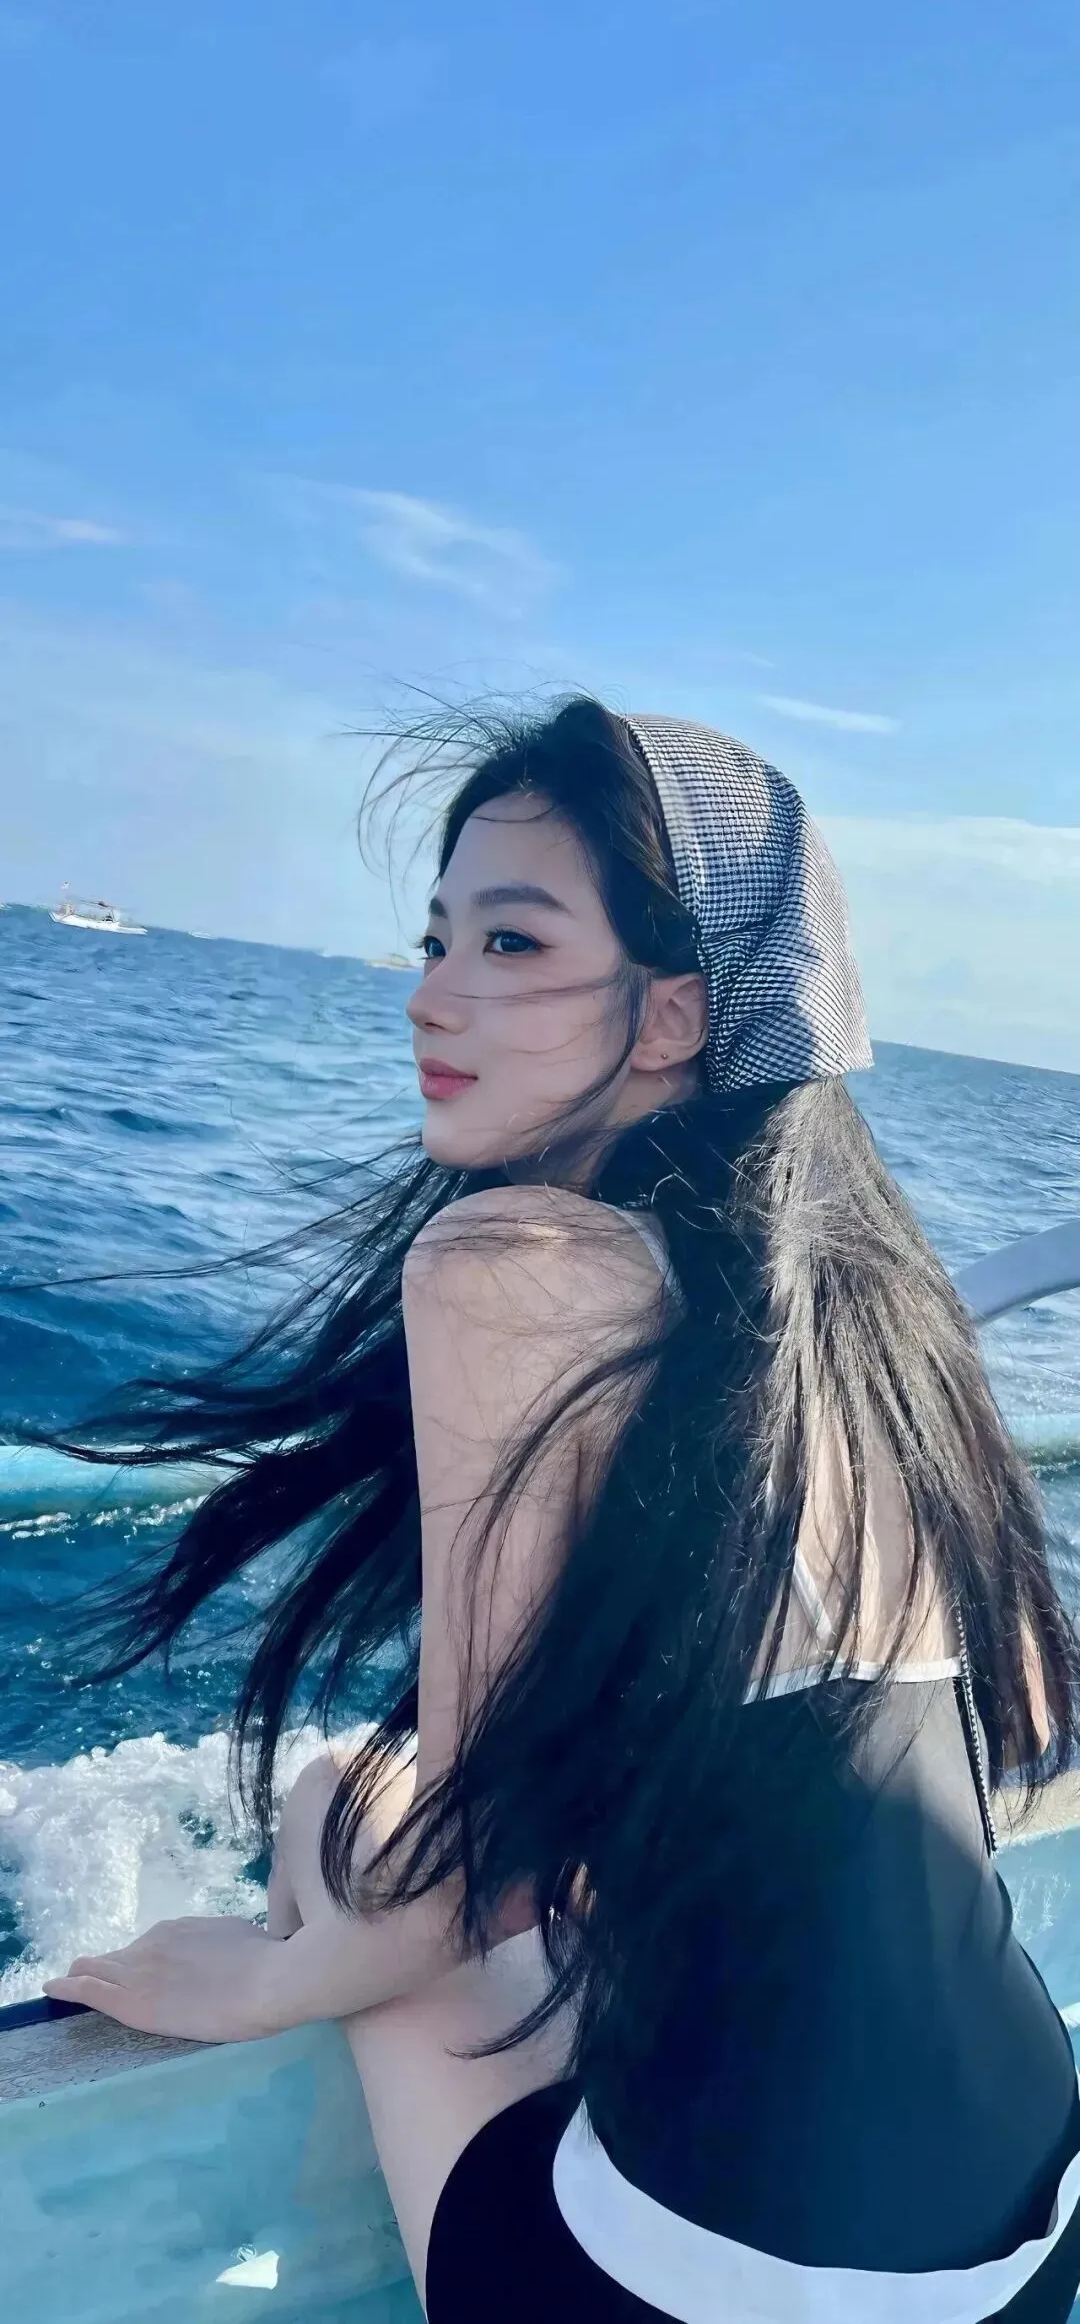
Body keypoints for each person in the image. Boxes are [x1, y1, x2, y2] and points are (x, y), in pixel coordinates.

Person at [45, 700, 1080, 2322]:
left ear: (675, 1012)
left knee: (336, 1800)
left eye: (511, 942)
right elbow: (988, 1715)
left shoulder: (507, 1260)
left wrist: (264, 1977)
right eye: (437, 936)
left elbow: (469, 1877)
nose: (430, 993)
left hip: (728, 2287)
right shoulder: (871, 1312)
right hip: (1034, 2228)